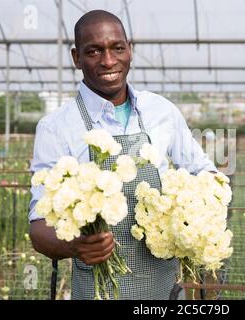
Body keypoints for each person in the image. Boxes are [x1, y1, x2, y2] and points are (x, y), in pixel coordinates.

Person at [28, 10, 217, 300]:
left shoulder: (162, 112)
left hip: (164, 292)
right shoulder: (56, 128)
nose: (108, 61)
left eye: (117, 48)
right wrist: (75, 245)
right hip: (97, 292)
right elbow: (39, 229)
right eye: (94, 51)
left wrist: (195, 214)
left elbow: (205, 173)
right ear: (76, 58)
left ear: (129, 50)